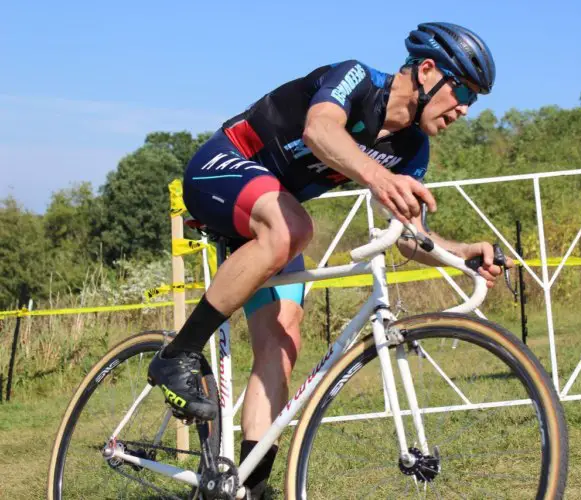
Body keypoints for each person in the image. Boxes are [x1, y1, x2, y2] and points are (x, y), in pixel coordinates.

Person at [148, 22, 510, 496]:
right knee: (294, 230)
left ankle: (248, 487)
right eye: (462, 89)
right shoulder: (357, 78)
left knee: (283, 342)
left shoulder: (412, 148)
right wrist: (376, 179)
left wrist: (462, 254)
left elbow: (409, 237)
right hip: (224, 167)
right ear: (426, 70)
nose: (464, 108)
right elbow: (320, 130)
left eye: (474, 99)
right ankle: (177, 355)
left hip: (269, 214)